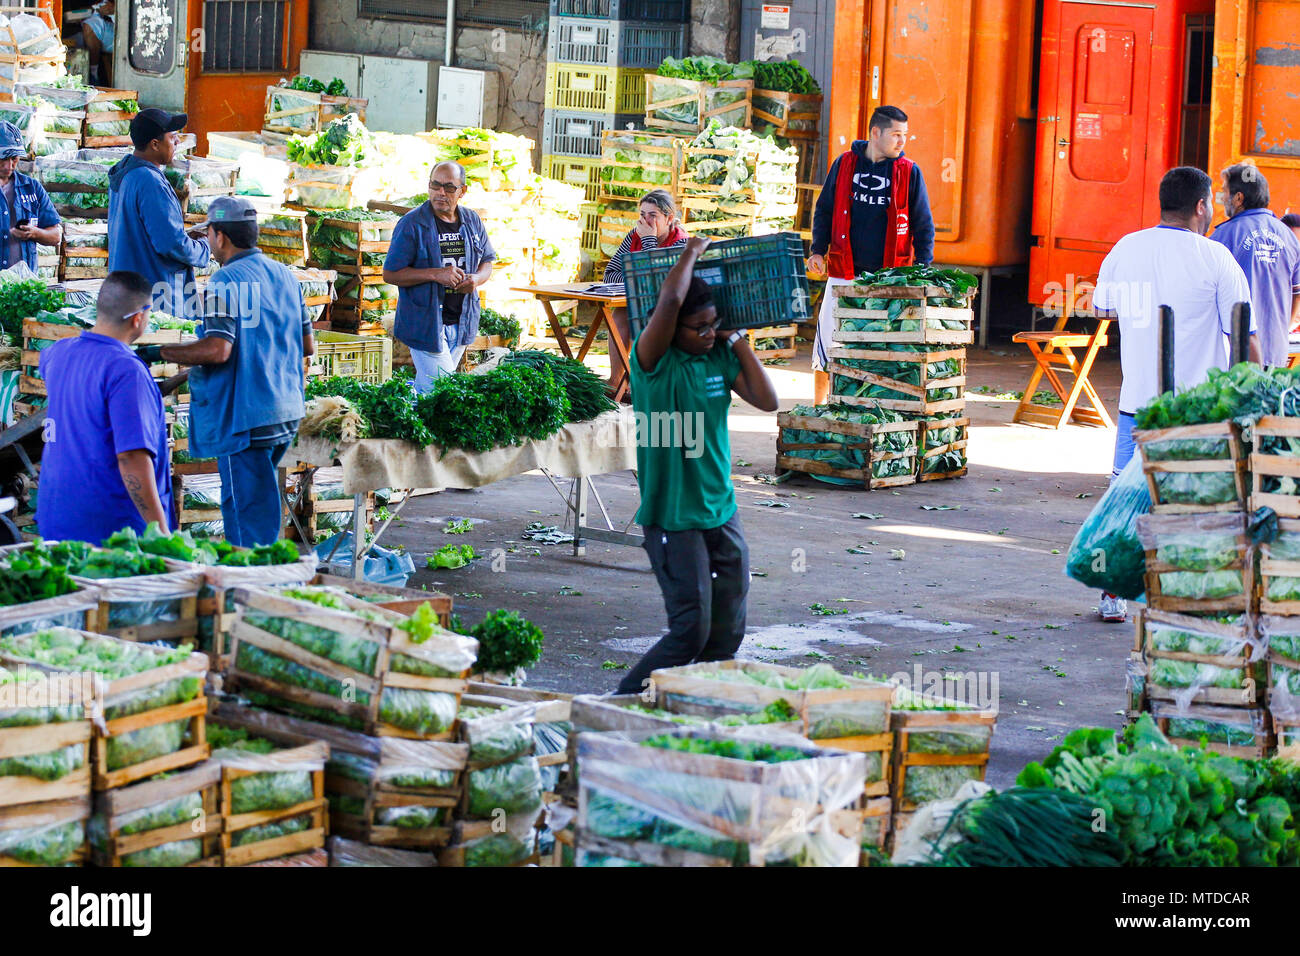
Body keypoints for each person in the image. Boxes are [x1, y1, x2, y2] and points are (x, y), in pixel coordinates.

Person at [1091, 166, 1259, 623]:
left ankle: (1112, 594)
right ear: (1202, 206)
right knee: (1198, 496)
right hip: (1198, 410)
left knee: (1124, 498)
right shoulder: (1217, 258)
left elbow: (1102, 307)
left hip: (1136, 405)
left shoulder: (1127, 247)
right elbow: (1245, 336)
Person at [613, 236, 780, 696]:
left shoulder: (719, 357)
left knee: (726, 632)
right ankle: (621, 704)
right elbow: (669, 299)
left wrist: (737, 340)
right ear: (671, 329)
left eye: (714, 325)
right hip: (673, 516)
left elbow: (768, 401)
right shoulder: (653, 364)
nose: (708, 334)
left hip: (721, 510)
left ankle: (693, 704)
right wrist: (691, 252)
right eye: (699, 327)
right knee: (691, 627)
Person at [137, 197, 314, 547]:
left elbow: (219, 349)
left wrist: (159, 351)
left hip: (245, 419)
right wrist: (183, 376)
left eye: (210, 235)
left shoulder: (224, 281)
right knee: (260, 504)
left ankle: (252, 588)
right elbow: (306, 345)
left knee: (247, 516)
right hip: (286, 411)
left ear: (220, 236)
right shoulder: (285, 276)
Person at [808, 104, 935, 404]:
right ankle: (818, 407)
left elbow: (923, 225)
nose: (902, 141)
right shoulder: (844, 164)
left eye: (905, 135)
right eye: (896, 134)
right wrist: (817, 249)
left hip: (889, 278)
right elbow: (824, 210)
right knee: (828, 341)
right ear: (875, 133)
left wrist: (922, 269)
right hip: (843, 271)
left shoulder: (909, 172)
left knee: (882, 347)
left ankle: (876, 404)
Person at [36, 271, 171, 542]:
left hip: (57, 520)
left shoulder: (56, 354)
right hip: (112, 534)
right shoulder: (126, 370)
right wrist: (162, 534)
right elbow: (131, 458)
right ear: (138, 318)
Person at [383, 161, 496, 393]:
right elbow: (390, 273)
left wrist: (476, 279)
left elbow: (487, 261)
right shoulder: (412, 224)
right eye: (435, 186)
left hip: (462, 322)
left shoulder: (472, 221)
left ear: (462, 191)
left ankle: (410, 411)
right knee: (442, 391)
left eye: (449, 187)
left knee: (432, 392)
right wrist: (436, 274)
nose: (440, 193)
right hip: (426, 324)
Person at [108, 109, 210, 316]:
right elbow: (170, 244)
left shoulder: (127, 174)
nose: (177, 143)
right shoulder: (149, 181)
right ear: (155, 144)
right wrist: (205, 247)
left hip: (129, 294)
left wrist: (185, 235)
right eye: (173, 138)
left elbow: (146, 232)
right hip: (156, 301)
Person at [1209, 165, 1300, 366]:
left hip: (1238, 355)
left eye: (1224, 191)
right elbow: (1297, 295)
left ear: (1239, 198)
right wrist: (1283, 330)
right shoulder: (1290, 238)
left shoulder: (1223, 236)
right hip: (1277, 353)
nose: (1222, 198)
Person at [0, 120, 60, 272]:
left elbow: (55, 236)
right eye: (2, 159)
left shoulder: (32, 188)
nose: (9, 166)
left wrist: (34, 233)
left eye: (14, 159)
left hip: (23, 284)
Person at [601, 189, 687, 283]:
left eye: (653, 215)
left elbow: (657, 282)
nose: (645, 221)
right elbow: (609, 275)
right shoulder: (635, 235)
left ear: (669, 218)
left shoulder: (681, 243)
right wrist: (637, 281)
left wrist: (648, 240)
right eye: (642, 214)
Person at [81, 1, 115, 87]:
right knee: (75, 39)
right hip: (108, 25)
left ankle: (93, 75)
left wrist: (115, 9)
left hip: (130, 34)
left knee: (91, 25)